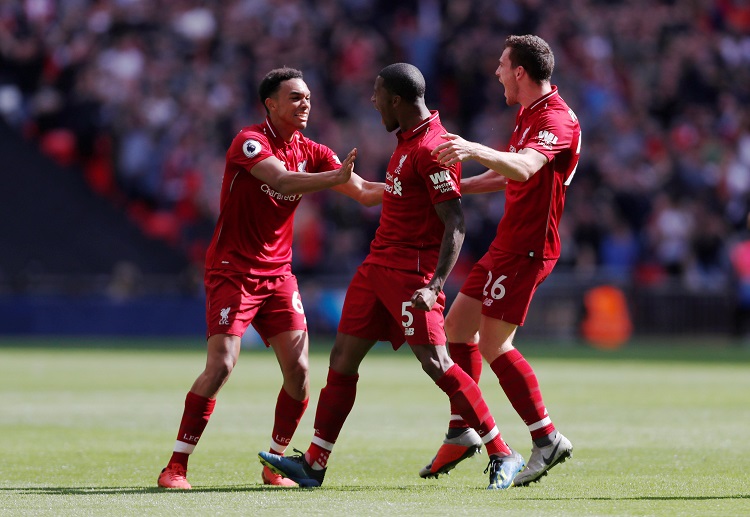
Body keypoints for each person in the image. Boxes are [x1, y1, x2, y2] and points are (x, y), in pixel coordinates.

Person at [258, 62, 525, 490]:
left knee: (437, 363)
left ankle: (501, 450)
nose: (372, 100)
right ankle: (314, 461)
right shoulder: (406, 141)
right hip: (376, 268)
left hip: (411, 275)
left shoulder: (433, 148)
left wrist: (434, 285)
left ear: (397, 100)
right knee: (342, 359)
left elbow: (455, 223)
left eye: (378, 94)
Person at [157, 67, 384, 489]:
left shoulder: (313, 150)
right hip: (233, 270)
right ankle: (175, 466)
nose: (305, 104)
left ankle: (274, 462)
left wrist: (416, 186)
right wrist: (331, 179)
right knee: (222, 365)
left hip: (278, 275)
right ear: (271, 104)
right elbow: (281, 178)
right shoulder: (249, 141)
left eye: (309, 97)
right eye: (296, 97)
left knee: (299, 371)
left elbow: (365, 191)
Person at [418, 34, 581, 486]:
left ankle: (546, 439)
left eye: (502, 65)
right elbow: (507, 171)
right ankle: (463, 428)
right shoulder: (528, 114)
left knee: (494, 344)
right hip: (507, 243)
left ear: (521, 73)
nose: (496, 72)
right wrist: (459, 187)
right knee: (455, 329)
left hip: (528, 248)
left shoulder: (557, 119)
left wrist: (470, 147)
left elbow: (526, 167)